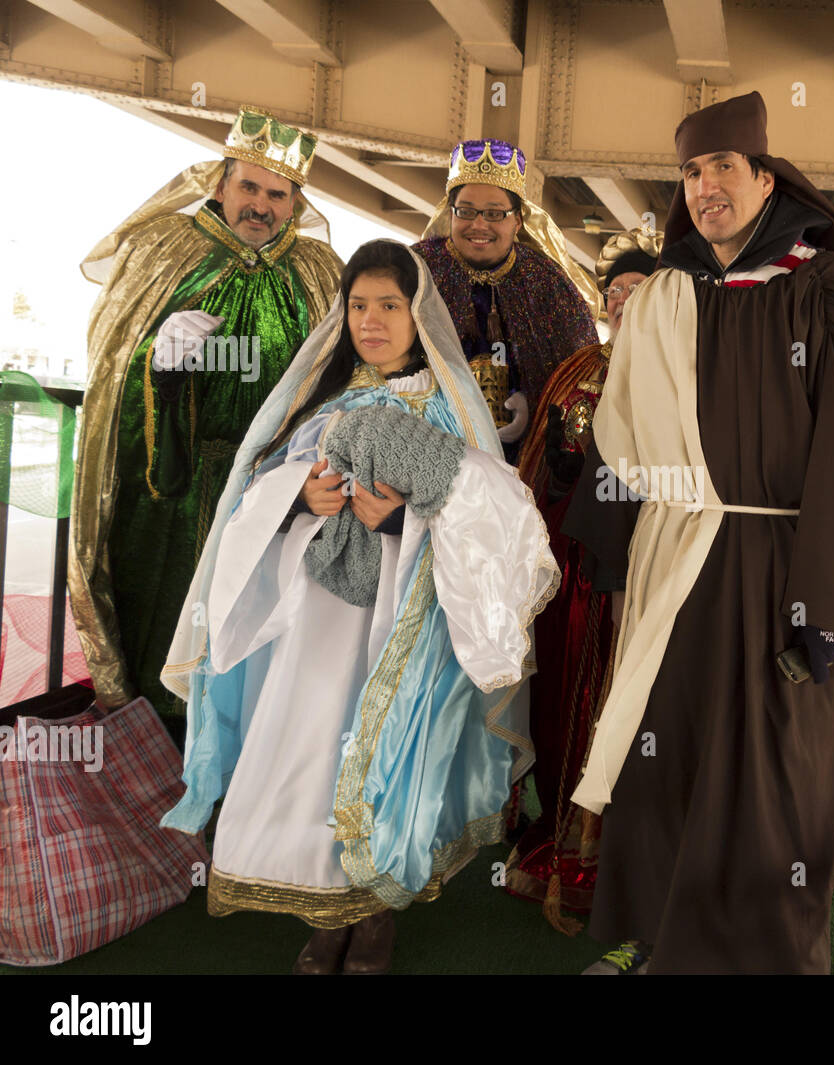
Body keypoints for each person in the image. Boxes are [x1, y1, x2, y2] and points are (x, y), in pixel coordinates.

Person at [563, 92, 834, 974]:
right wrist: (612, 549)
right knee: (669, 755)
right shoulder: (674, 294)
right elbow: (626, 434)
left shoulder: (825, 288)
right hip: (680, 561)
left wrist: (831, 602)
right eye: (691, 172)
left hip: (783, 571)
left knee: (774, 784)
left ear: (765, 177)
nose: (706, 186)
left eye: (724, 167)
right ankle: (670, 945)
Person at [158, 240, 559, 974]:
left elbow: (499, 521)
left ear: (419, 314)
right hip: (317, 620)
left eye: (390, 305)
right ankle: (326, 909)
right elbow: (253, 492)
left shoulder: (447, 406)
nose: (371, 321)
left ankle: (374, 914)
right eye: (358, 306)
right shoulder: (324, 402)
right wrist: (295, 500)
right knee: (315, 750)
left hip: (404, 622)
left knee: (384, 759)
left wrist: (405, 520)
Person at [69, 106, 342, 724]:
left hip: (272, 492)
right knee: (165, 623)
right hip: (176, 487)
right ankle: (155, 761)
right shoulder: (163, 248)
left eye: (278, 193)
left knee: (254, 636)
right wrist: (158, 364)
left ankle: (237, 780)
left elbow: (342, 376)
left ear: (296, 203)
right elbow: (112, 366)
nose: (261, 205)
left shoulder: (320, 270)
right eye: (249, 186)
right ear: (219, 185)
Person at [507, 227, 661, 932]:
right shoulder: (574, 370)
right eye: (615, 293)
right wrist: (566, 464)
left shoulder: (678, 373)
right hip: (571, 567)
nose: (624, 301)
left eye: (640, 290)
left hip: (649, 565)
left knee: (633, 703)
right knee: (565, 691)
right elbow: (537, 462)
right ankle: (558, 830)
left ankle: (624, 851)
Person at [411, 139, 599, 463]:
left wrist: (537, 404)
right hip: (423, 451)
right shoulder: (414, 270)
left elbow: (582, 376)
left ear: (518, 220)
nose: (479, 224)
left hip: (520, 465)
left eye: (495, 213)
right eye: (466, 211)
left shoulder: (548, 283)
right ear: (450, 213)